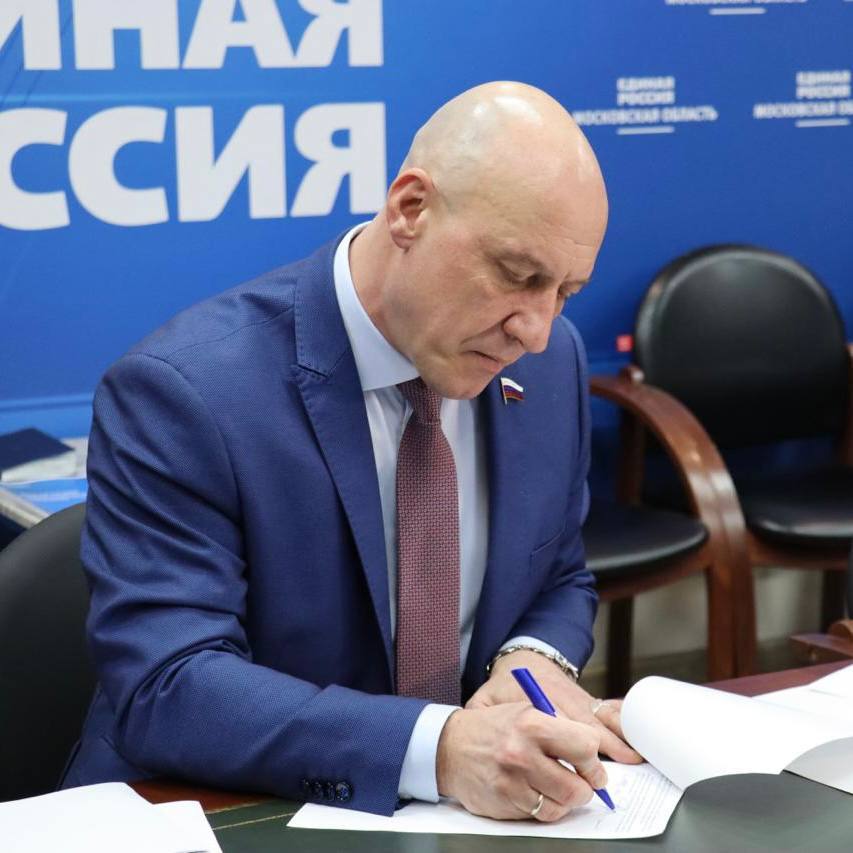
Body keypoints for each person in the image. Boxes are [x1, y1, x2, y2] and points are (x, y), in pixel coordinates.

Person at [62, 81, 642, 822]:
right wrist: (438, 748)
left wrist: (531, 658)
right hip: (214, 808)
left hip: (458, 815)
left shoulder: (550, 362)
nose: (533, 329)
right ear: (410, 209)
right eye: (517, 275)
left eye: (564, 291)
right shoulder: (186, 392)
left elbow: (557, 573)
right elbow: (169, 686)